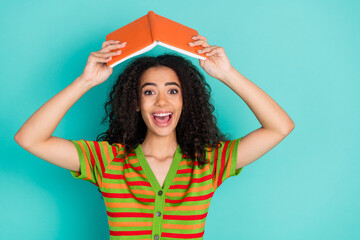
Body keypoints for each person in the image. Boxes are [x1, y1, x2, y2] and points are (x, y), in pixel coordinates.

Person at [14, 34, 294, 239]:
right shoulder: (107, 160)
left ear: (186, 101)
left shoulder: (208, 162)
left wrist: (227, 74)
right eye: (149, 92)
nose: (161, 101)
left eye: (173, 91)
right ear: (136, 103)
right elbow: (30, 138)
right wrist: (84, 81)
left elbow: (279, 126)